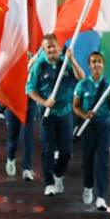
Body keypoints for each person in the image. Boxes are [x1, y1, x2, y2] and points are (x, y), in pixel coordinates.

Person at [28, 34, 83, 195]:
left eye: (53, 46)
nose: (51, 49)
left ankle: (59, 174)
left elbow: (82, 78)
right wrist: (44, 102)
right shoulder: (39, 65)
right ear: (44, 49)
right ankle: (49, 183)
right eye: (48, 47)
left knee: (66, 151)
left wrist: (71, 60)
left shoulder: (65, 63)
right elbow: (30, 89)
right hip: (46, 114)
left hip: (65, 113)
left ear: (59, 47)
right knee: (48, 149)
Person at [73, 51, 110, 211]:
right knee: (88, 160)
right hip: (89, 128)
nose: (97, 64)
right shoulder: (82, 85)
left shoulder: (109, 84)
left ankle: (101, 197)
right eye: (93, 61)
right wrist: (85, 115)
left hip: (105, 126)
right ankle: (88, 185)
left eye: (99, 61)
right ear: (89, 65)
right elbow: (75, 107)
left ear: (103, 64)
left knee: (103, 160)